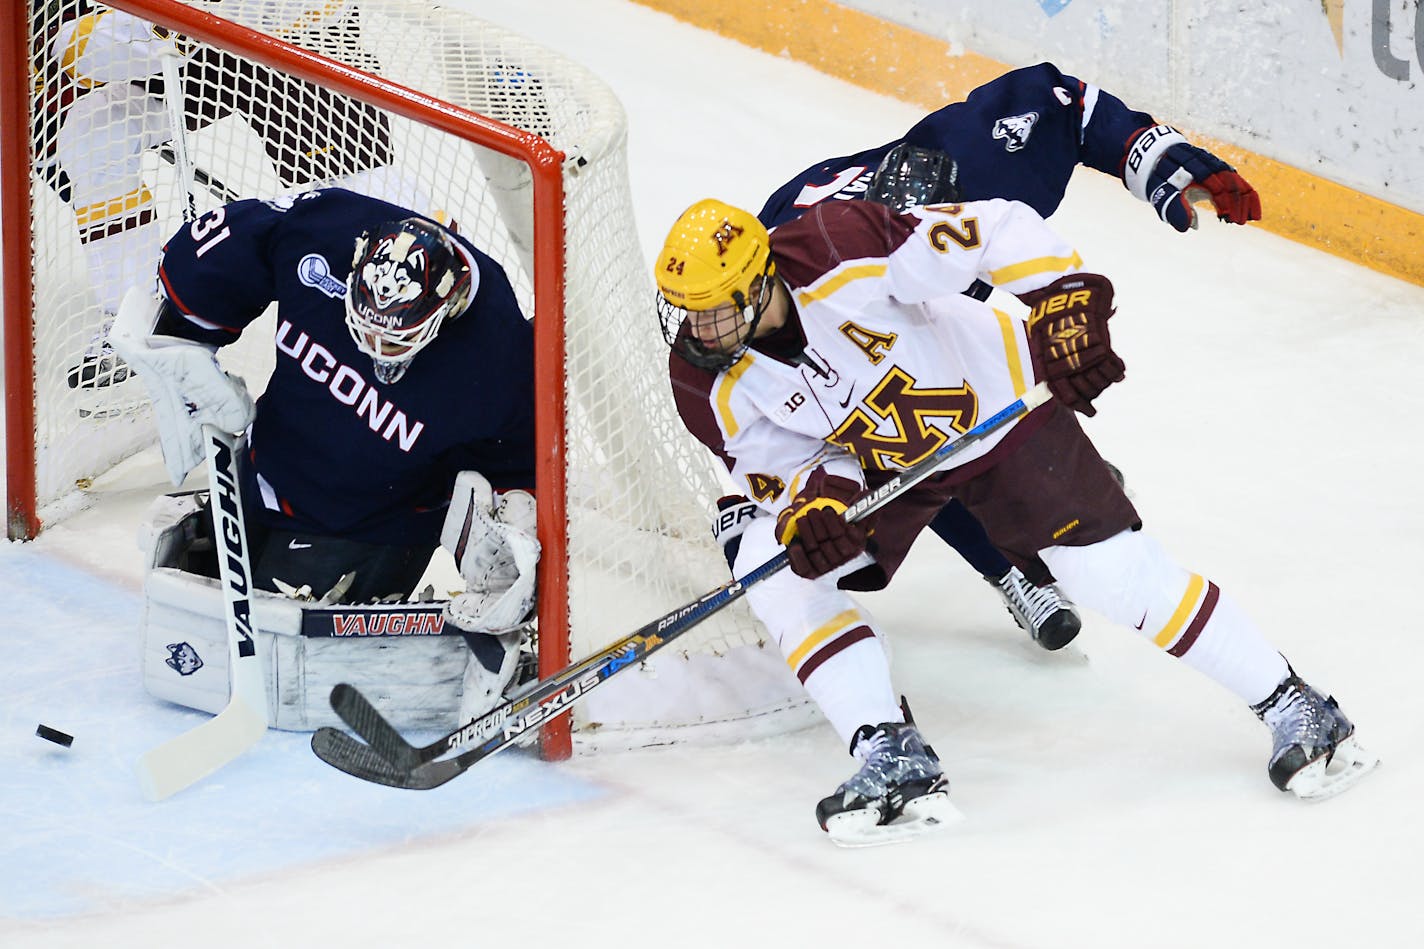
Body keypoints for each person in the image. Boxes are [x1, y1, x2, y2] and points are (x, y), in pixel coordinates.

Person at [654, 196, 1373, 846]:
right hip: (885, 465)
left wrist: (1061, 296)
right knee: (772, 565)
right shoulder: (699, 379)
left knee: (1109, 575)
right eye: (687, 309)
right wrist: (813, 505)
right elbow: (785, 463)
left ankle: (1300, 707)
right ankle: (891, 754)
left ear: (760, 284)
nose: (698, 327)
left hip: (997, 408)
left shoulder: (839, 244)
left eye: (715, 308)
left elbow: (991, 228)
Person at [756, 61, 1262, 652]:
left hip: (905, 260)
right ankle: (1007, 568)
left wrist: (1147, 156)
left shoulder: (976, 163)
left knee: (997, 365)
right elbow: (746, 325)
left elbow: (1066, 104)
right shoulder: (819, 273)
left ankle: (1042, 480)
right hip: (834, 337)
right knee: (899, 429)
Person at [110, 186, 538, 725]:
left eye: (398, 341)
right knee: (191, 586)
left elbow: (518, 470)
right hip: (269, 466)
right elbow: (225, 245)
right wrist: (184, 339)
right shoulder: (325, 231)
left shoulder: (500, 354)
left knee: (270, 655)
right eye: (364, 330)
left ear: (447, 309)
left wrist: (510, 528)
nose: (374, 352)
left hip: (368, 522)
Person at [33, 1, 403, 398]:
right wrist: (139, 26)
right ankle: (131, 317)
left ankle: (392, 327)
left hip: (290, 43)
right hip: (177, 61)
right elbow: (63, 43)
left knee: (369, 217)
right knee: (94, 134)